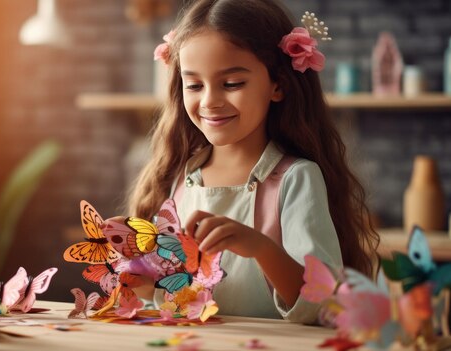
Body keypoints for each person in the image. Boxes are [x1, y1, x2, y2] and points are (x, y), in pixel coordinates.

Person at [125, 0, 379, 323]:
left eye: (232, 84)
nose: (209, 101)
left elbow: (322, 300)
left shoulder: (295, 179)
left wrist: (259, 246)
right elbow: (174, 297)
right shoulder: (177, 180)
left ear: (278, 85)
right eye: (194, 85)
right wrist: (145, 283)